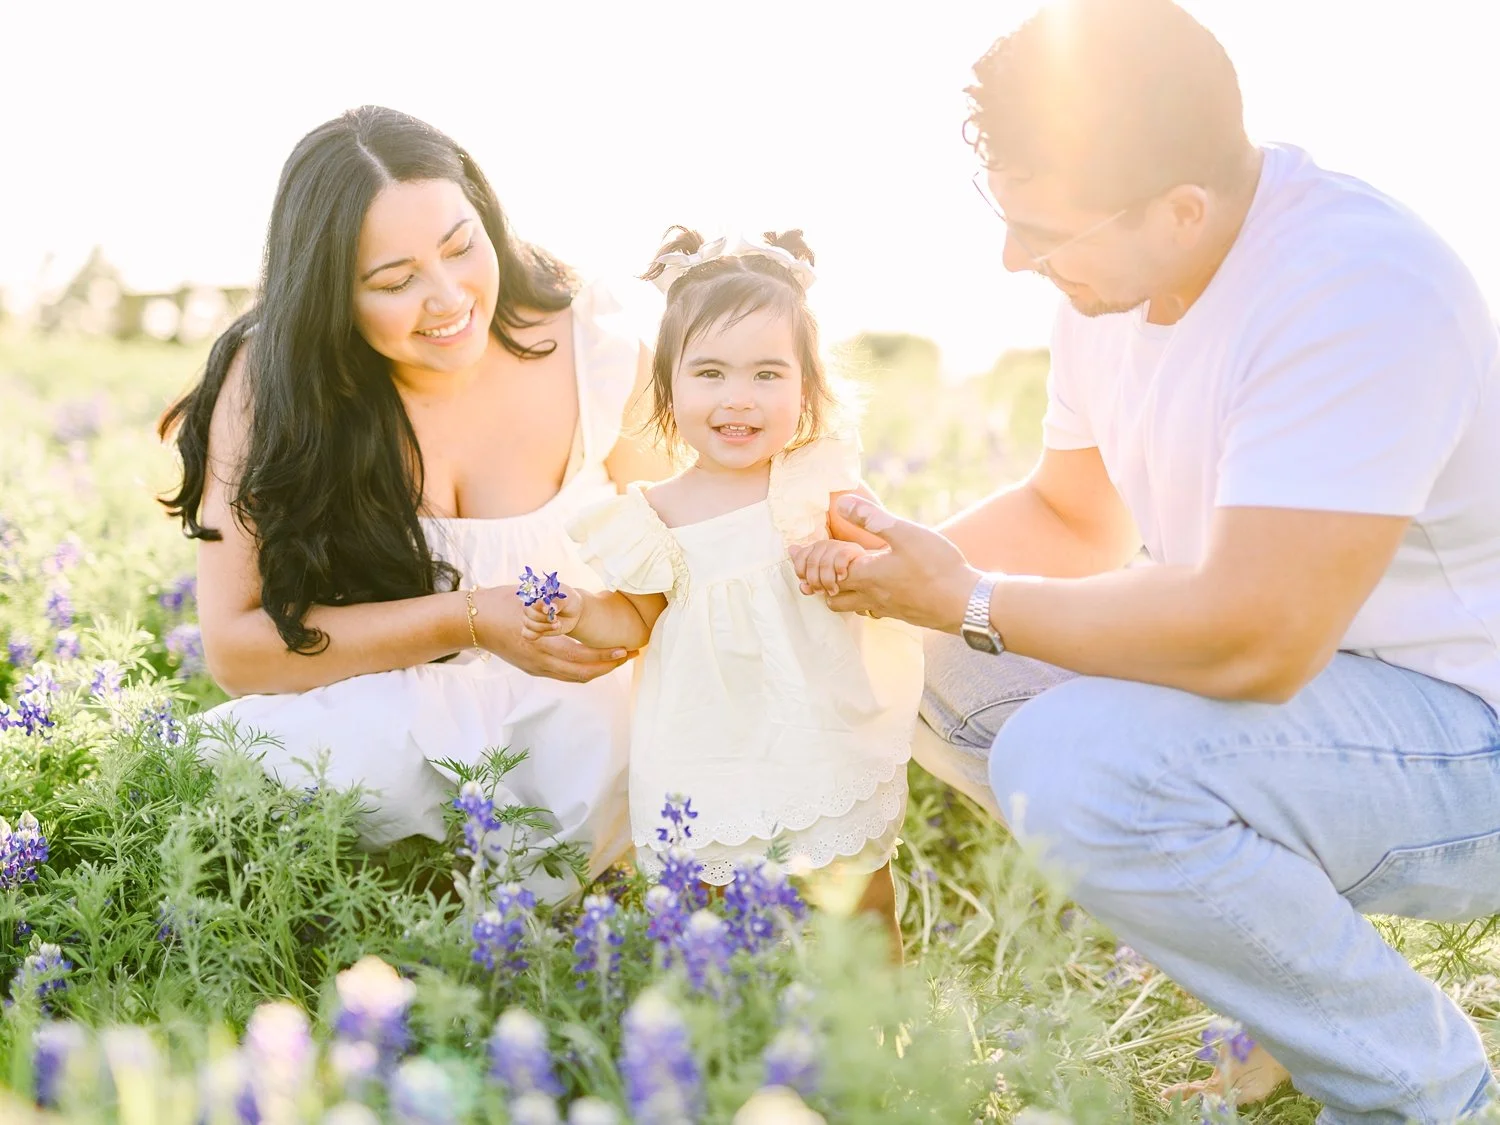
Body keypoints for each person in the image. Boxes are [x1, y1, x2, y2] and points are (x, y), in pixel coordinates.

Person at [792, 1, 1500, 1121]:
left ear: (1183, 208)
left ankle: (1424, 1096)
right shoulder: (1113, 285)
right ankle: (1275, 984)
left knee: (1083, 767)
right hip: (1325, 718)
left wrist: (967, 596)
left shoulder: (1358, 288)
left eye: (1047, 229)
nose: (1013, 257)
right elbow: (1074, 519)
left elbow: (1255, 639)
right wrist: (874, 579)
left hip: (1471, 737)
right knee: (911, 653)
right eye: (1007, 212)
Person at [157, 106, 670, 897]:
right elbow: (234, 650)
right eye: (395, 281)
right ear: (331, 298)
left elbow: (687, 564)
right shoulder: (271, 385)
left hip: (587, 718)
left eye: (463, 245)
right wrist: (468, 619)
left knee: (653, 750)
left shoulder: (595, 349)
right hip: (381, 718)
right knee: (208, 780)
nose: (448, 298)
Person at [519, 228, 923, 947]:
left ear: (806, 385)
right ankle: (724, 1042)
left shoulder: (815, 481)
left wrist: (842, 561)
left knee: (858, 899)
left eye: (768, 374)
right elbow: (632, 619)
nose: (739, 399)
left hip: (815, 734)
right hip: (704, 748)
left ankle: (878, 1045)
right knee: (707, 919)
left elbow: (884, 569)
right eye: (710, 373)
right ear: (670, 384)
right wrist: (580, 610)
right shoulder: (654, 512)